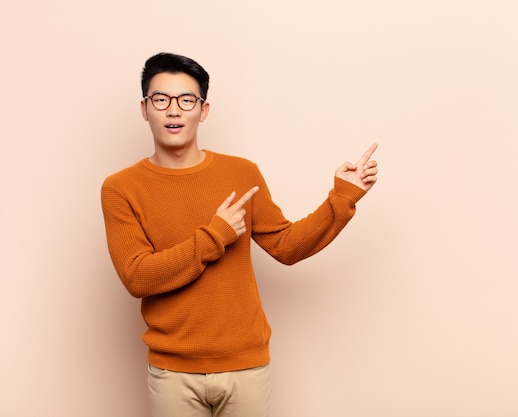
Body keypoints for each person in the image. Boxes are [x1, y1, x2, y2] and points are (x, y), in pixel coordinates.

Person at [101, 52, 378, 417]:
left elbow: (286, 245)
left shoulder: (241, 173)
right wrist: (214, 235)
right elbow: (137, 275)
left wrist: (342, 197)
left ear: (203, 110)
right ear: (144, 108)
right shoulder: (121, 188)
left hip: (245, 366)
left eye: (186, 100)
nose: (173, 111)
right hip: (172, 372)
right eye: (161, 100)